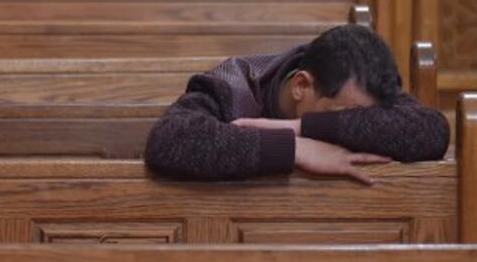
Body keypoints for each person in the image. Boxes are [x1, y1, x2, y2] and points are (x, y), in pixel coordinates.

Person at [143, 24, 450, 184]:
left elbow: (433, 131)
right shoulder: (233, 85)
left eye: (364, 120)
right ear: (301, 85)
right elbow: (168, 141)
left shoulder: (365, 86)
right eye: (346, 117)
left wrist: (301, 127)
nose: (361, 127)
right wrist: (295, 148)